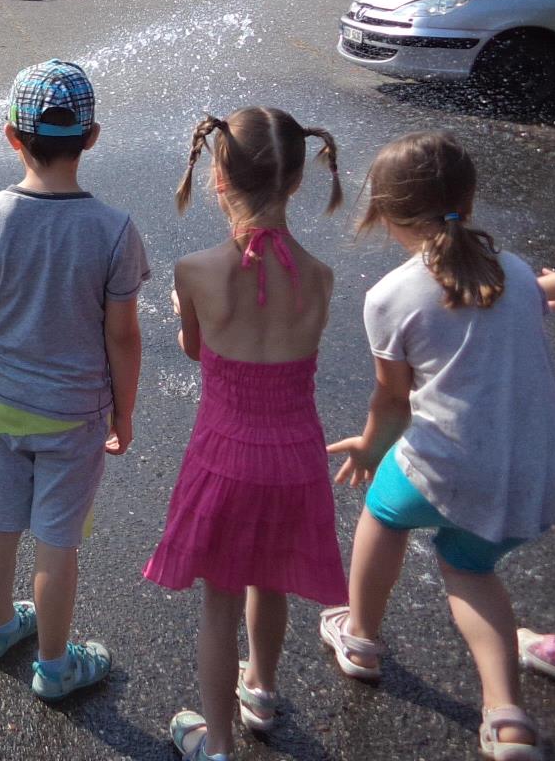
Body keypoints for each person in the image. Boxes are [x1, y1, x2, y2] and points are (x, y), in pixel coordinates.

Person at [323, 132, 555, 761]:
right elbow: (533, 293)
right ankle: (507, 717)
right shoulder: (511, 270)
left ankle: (361, 635)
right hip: (534, 467)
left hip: (449, 462)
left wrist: (370, 449)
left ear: (382, 210)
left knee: (382, 512)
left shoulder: (391, 297)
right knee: (471, 570)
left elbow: (393, 402)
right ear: (470, 199)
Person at [0, 59, 146, 702]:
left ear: (11, 135)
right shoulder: (114, 230)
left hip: (2, 401)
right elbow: (123, 336)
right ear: (91, 137)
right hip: (76, 412)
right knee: (57, 543)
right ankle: (56, 668)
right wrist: (125, 412)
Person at [144, 108, 347, 761]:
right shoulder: (320, 276)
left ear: (218, 177)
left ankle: (219, 742)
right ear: (295, 184)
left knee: (219, 604)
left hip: (227, 455)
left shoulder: (197, 270)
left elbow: (199, 352)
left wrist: (187, 315)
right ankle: (259, 686)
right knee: (273, 579)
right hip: (297, 458)